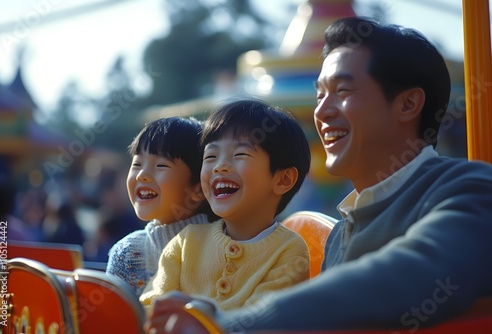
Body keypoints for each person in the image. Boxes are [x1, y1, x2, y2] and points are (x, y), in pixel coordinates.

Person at [143, 17, 492, 333]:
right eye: (320, 94)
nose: (321, 112)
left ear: (408, 104)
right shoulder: (341, 233)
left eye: (342, 91)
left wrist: (229, 324)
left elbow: (419, 271)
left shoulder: (469, 188)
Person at [140, 98, 312, 312]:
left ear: (283, 180)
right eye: (210, 156)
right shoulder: (186, 241)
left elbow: (258, 320)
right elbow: (151, 304)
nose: (220, 166)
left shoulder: (289, 251)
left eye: (240, 154)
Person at [106, 117, 215, 296]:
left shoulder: (225, 247)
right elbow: (116, 318)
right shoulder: (127, 254)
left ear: (199, 189)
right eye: (137, 164)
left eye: (161, 165)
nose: (142, 175)